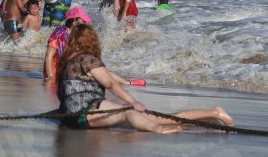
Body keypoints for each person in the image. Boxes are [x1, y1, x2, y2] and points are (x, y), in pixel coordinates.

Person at [56, 24, 234, 131]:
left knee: (164, 119)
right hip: (84, 111)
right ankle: (210, 116)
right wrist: (133, 101)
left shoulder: (68, 62)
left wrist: (131, 102)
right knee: (161, 118)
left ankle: (214, 113)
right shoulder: (87, 59)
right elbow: (109, 82)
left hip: (85, 111)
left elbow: (108, 80)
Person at [44, 6, 91, 80]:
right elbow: (48, 55)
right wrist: (50, 77)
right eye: (83, 21)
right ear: (74, 21)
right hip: (53, 71)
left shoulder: (76, 34)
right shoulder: (60, 32)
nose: (85, 23)